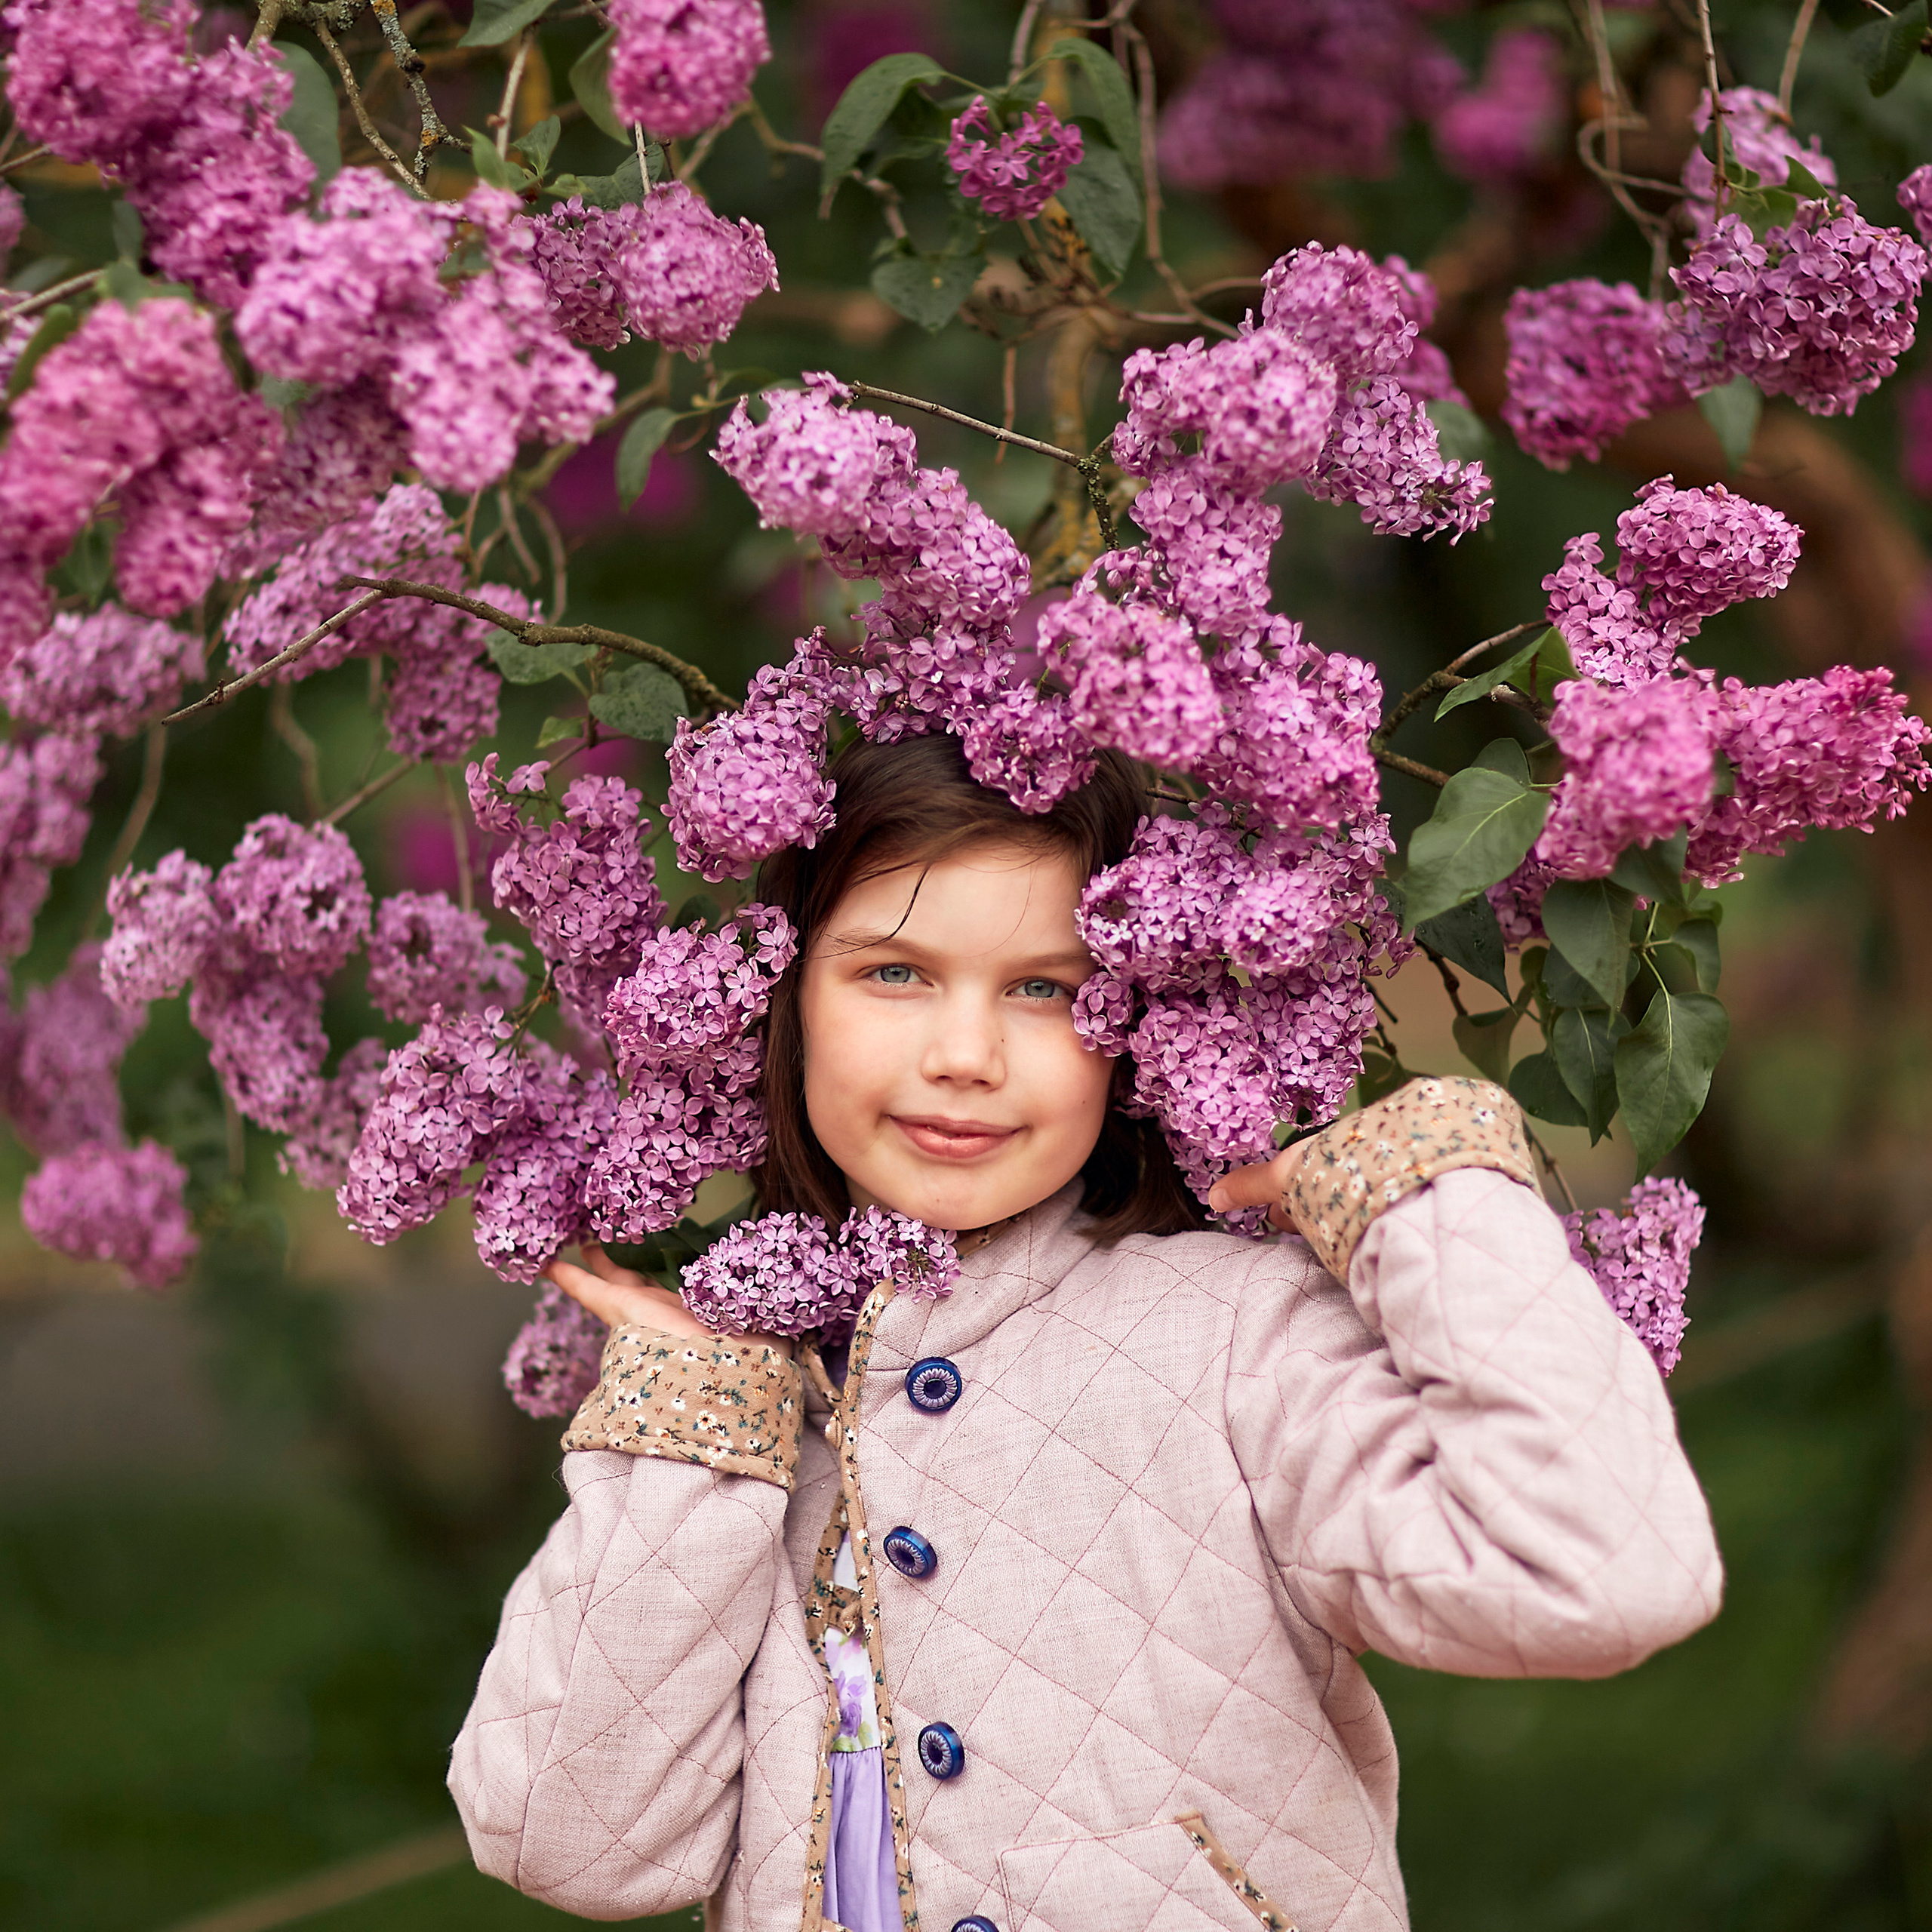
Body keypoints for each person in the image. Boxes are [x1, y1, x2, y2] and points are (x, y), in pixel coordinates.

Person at [447, 733, 1722, 1932]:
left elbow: (1604, 1575)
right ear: (787, 998)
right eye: (894, 972)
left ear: (1134, 1030)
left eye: (1045, 990)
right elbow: (575, 1843)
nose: (965, 1054)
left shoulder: (1235, 1339)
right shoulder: (759, 1404)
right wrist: (698, 1422)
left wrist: (1421, 1186)